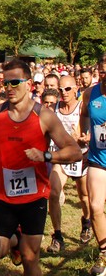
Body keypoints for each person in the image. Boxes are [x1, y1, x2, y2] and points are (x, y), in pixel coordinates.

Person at [0, 59, 82, 276]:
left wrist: (46, 155)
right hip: (3, 196)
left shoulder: (43, 115)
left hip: (34, 198)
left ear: (30, 84)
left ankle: (20, 245)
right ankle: (14, 240)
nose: (9, 88)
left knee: (30, 257)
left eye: (15, 82)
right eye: (6, 83)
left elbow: (74, 151)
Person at [46, 75, 91, 254]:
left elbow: (91, 130)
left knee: (85, 196)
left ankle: (86, 222)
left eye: (67, 89)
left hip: (82, 155)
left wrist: (85, 138)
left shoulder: (82, 108)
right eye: (60, 90)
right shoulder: (53, 108)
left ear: (75, 89)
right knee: (54, 192)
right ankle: (57, 236)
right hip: (62, 157)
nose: (63, 93)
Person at [80, 54, 106, 276]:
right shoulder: (91, 93)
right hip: (98, 159)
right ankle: (104, 253)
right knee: (96, 207)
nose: (105, 75)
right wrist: (85, 132)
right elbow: (83, 115)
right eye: (103, 70)